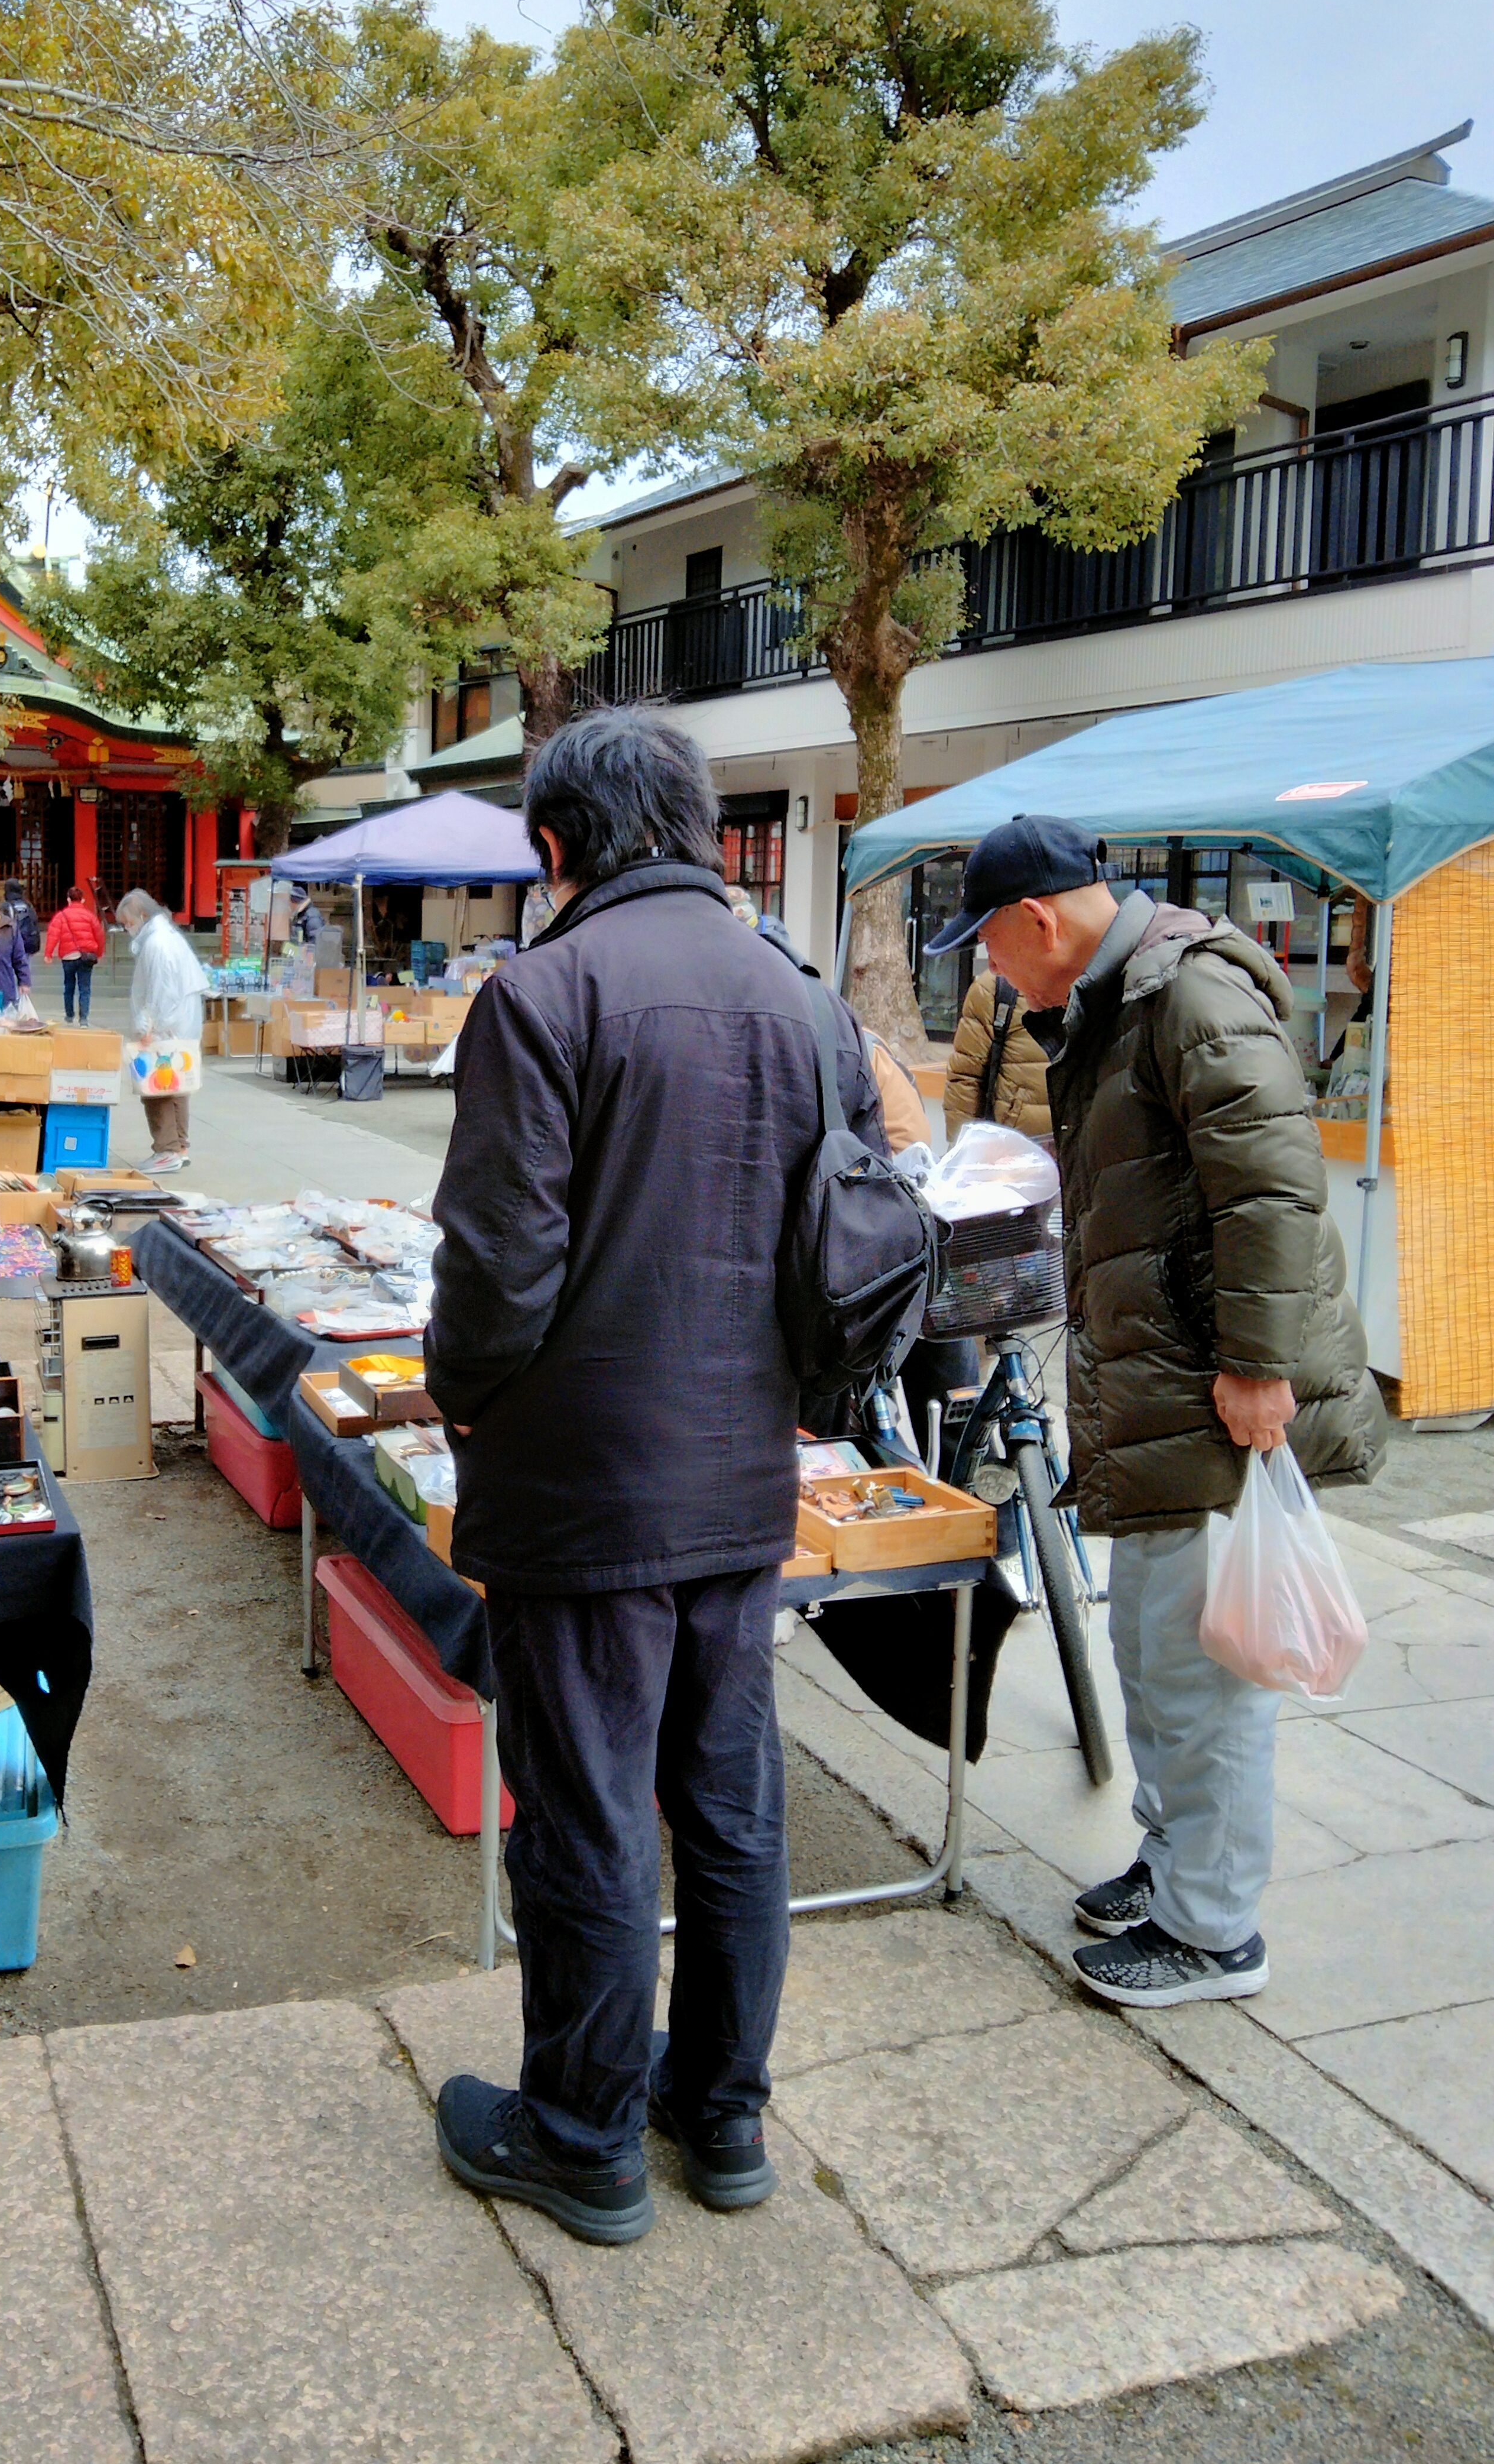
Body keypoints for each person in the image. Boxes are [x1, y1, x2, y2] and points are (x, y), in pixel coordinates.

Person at [424, 707, 886, 2247]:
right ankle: (723, 2113)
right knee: (733, 1802)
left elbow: (498, 1272)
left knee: (591, 1813)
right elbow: (851, 1247)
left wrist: (464, 1401)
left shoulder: (543, 995)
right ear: (692, 831)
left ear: (555, 848)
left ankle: (582, 2134)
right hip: (742, 1471)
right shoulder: (806, 1006)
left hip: (580, 1490)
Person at [926, 816, 1386, 2008]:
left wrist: (1255, 1360)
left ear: (1035, 918)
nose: (991, 972)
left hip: (1209, 1390)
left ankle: (1212, 1927)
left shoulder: (1185, 994)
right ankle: (1175, 1859)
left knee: (1202, 1669)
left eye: (989, 946)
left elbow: (1275, 1186)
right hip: (1160, 1382)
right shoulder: (1116, 998)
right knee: (1152, 1648)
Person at [119, 888, 204, 1169]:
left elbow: (160, 992)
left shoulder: (158, 944)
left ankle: (167, 1148)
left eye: (127, 922)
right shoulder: (165, 938)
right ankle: (179, 1146)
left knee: (158, 1086)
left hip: (168, 1023)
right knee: (178, 1085)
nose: (126, 928)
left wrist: (148, 1026)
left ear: (142, 915)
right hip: (179, 1021)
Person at [942, 946, 1052, 1141]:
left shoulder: (1100, 979)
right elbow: (966, 1078)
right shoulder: (994, 989)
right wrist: (962, 1155)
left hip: (1083, 1152)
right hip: (1012, 1152)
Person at [43, 883, 108, 1022]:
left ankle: (69, 1015)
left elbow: (53, 935)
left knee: (69, 987)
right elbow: (100, 936)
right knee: (85, 988)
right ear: (83, 900)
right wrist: (100, 952)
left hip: (68, 956)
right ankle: (84, 1018)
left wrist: (48, 954)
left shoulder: (61, 916)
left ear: (68, 899)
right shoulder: (90, 917)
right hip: (87, 956)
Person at [2, 878, 43, 959]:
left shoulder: (6, 906)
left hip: (12, 944)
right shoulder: (28, 905)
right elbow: (35, 923)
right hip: (28, 943)